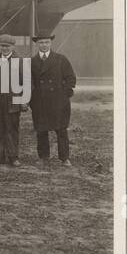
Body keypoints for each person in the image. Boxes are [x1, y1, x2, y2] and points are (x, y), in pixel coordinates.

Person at [29, 33, 77, 166]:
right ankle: (43, 157)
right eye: (41, 42)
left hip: (58, 102)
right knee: (41, 130)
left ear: (51, 43)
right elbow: (29, 81)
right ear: (37, 44)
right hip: (40, 101)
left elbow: (71, 78)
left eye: (46, 42)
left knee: (61, 129)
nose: (44, 45)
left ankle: (64, 158)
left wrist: (64, 94)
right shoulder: (32, 61)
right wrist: (31, 99)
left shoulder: (61, 59)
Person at [0, 34, 25, 166]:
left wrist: (24, 100)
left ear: (13, 47)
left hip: (12, 100)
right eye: (2, 46)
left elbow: (26, 82)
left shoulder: (20, 61)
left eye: (7, 46)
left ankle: (13, 156)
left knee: (11, 128)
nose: (5, 48)